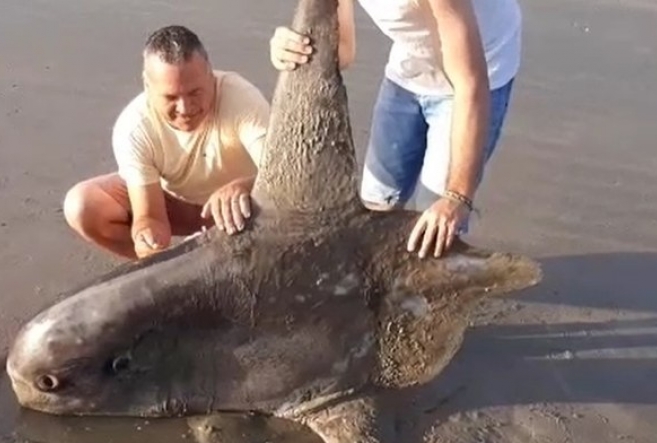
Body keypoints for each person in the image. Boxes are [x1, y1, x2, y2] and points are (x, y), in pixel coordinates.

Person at [269, 0, 522, 259]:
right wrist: (293, 50)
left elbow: (470, 82)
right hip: (411, 66)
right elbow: (342, 51)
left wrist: (458, 197)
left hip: (481, 64)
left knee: (434, 223)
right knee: (376, 202)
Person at [64, 25, 270, 259]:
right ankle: (166, 270)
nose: (185, 109)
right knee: (82, 205)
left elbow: (281, 171)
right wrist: (148, 241)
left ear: (211, 76)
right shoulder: (134, 127)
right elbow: (150, 217)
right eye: (171, 97)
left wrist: (243, 186)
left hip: (242, 207)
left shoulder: (241, 98)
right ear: (147, 87)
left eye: (195, 93)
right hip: (175, 203)